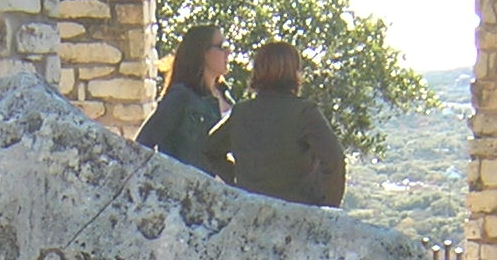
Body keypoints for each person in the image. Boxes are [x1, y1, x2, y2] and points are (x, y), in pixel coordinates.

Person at [203, 41, 345, 207]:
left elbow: (210, 150)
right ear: (295, 73)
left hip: (252, 209)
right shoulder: (304, 112)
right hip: (300, 211)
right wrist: (330, 208)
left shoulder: (241, 112)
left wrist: (239, 182)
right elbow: (335, 160)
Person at [135, 24, 231, 173]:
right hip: (189, 190)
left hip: (225, 192)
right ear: (202, 52)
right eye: (221, 46)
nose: (228, 52)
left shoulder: (225, 95)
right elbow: (143, 144)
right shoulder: (181, 97)